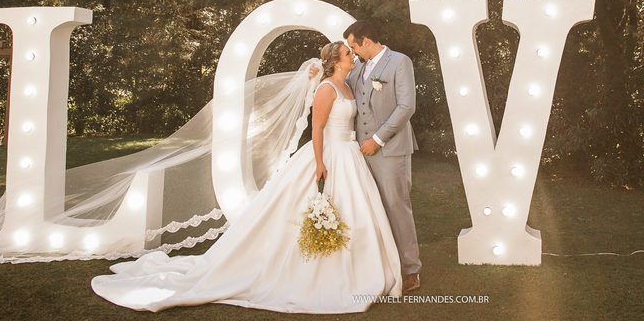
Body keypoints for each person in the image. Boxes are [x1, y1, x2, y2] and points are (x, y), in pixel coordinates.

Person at [91, 42, 401, 313]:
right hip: (330, 155)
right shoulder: (326, 89)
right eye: (349, 53)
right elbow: (316, 129)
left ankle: (361, 268)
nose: (353, 56)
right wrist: (320, 162)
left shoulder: (348, 84)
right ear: (336, 61)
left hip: (350, 156)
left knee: (356, 211)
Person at [343, 20, 422, 292]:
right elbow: (341, 90)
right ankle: (380, 265)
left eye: (353, 46)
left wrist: (377, 140)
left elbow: (406, 106)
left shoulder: (400, 62)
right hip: (360, 154)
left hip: (390, 150)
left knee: (397, 208)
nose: (352, 52)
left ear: (366, 41)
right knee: (369, 208)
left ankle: (411, 269)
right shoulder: (357, 71)